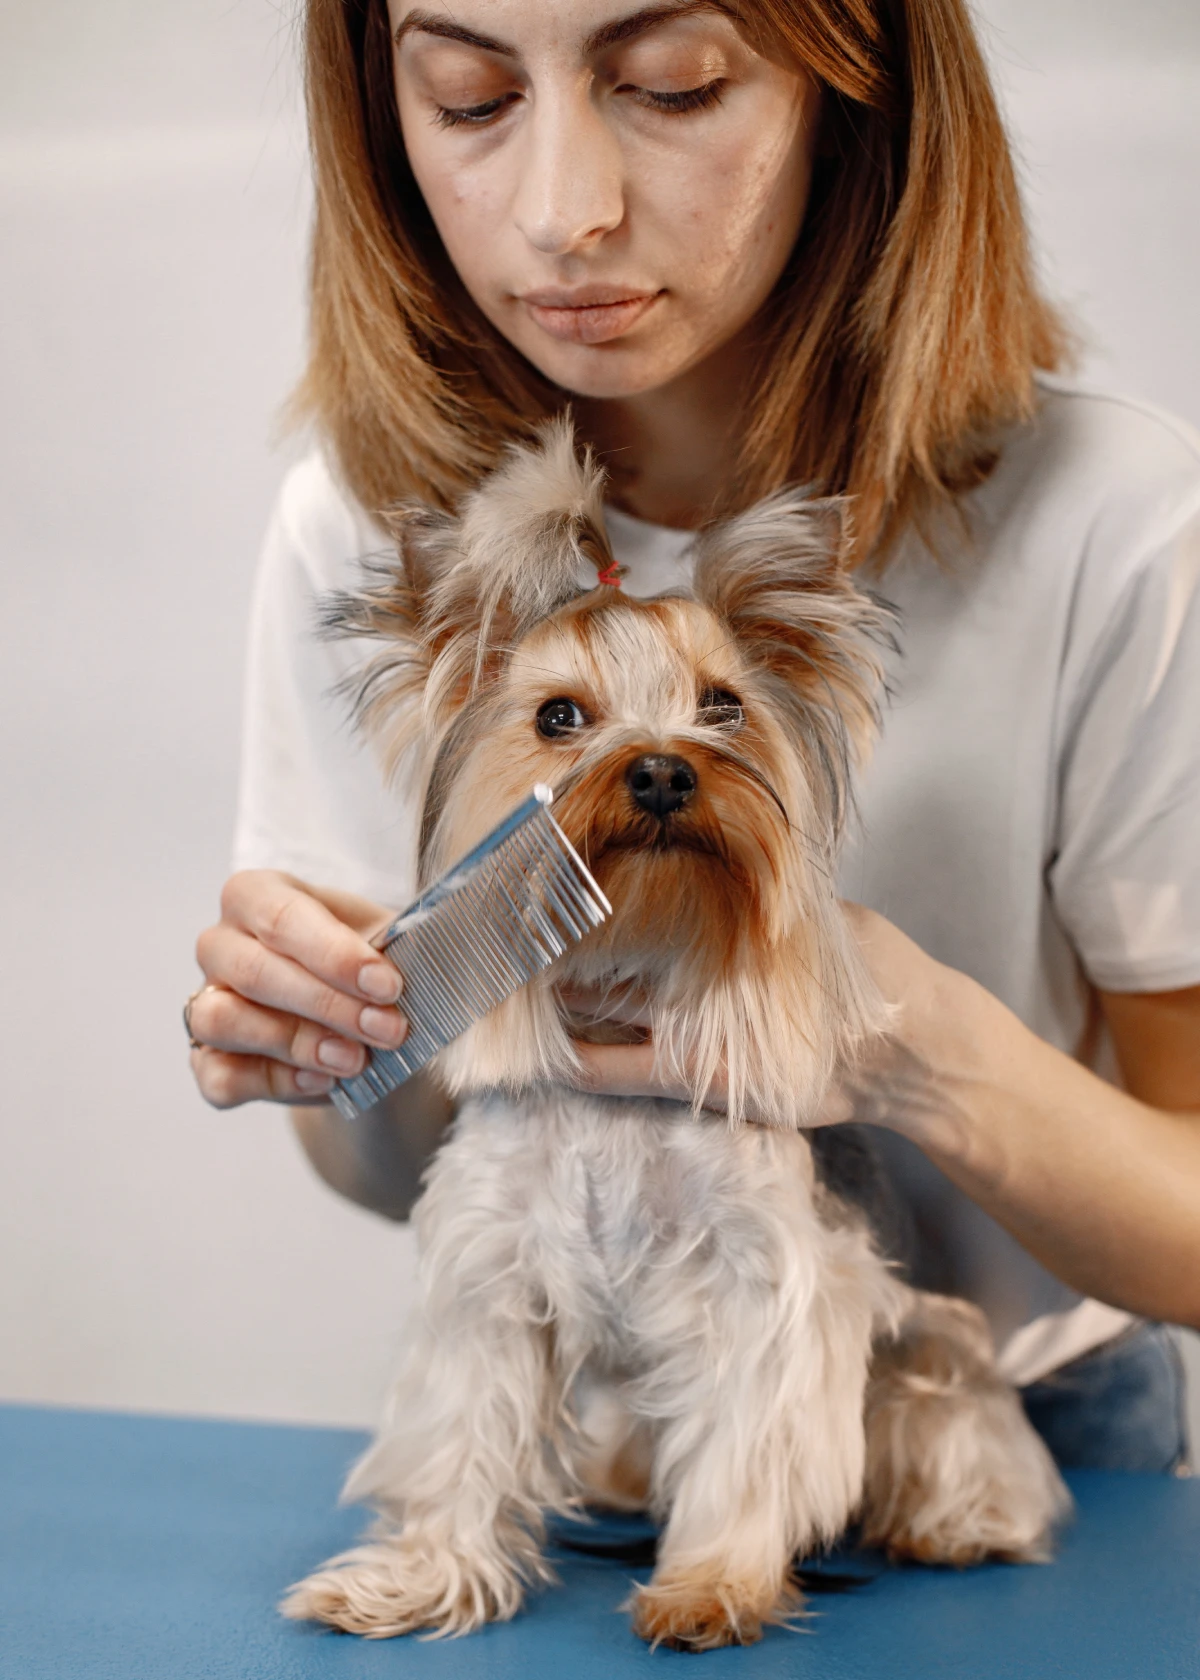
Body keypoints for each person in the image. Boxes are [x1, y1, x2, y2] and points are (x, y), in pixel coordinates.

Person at [186, 0, 1200, 1473]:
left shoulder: (1118, 521)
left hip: (1007, 1438)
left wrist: (917, 1056)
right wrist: (324, 1039)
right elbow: (386, 1166)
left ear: (860, 87)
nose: (562, 213)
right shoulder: (369, 535)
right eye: (469, 99)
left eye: (673, 85)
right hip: (599, 1453)